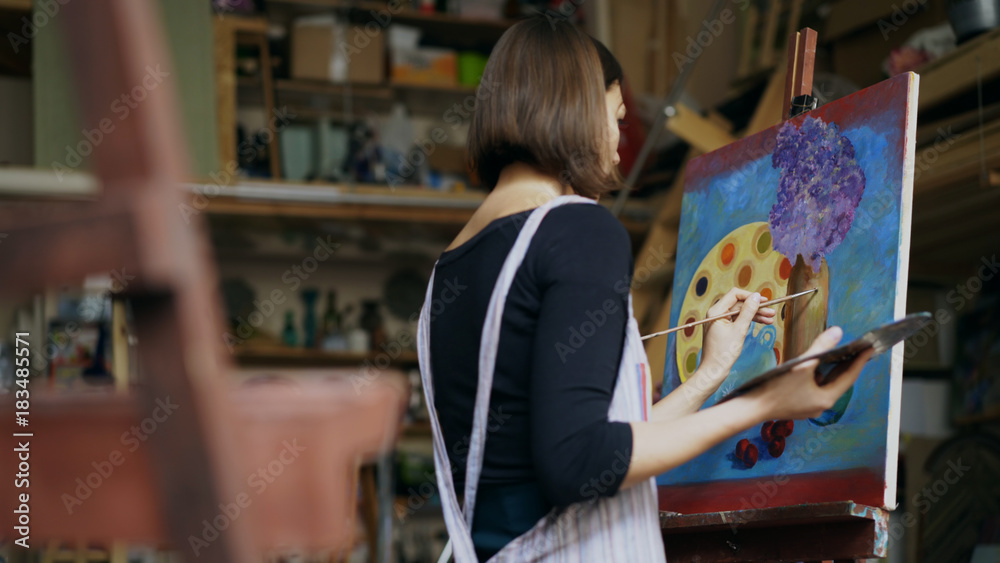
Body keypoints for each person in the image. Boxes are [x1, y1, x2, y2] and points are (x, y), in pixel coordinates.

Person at [415, 15, 873, 563]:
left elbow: (581, 443)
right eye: (617, 117)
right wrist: (767, 402)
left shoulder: (454, 265)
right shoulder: (577, 229)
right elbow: (580, 463)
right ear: (577, 112)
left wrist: (707, 377)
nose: (618, 142)